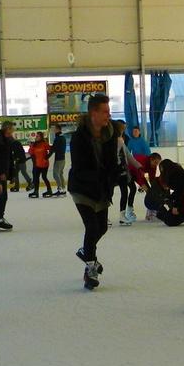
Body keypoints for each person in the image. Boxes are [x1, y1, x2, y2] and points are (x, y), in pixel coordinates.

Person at [68, 94, 120, 289]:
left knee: (102, 227)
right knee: (92, 227)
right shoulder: (79, 136)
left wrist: (114, 178)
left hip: (101, 188)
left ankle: (86, 251)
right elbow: (80, 167)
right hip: (82, 188)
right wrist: (100, 177)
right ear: (93, 113)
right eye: (105, 111)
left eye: (109, 111)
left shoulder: (110, 133)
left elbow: (112, 161)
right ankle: (90, 267)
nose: (109, 115)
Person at [154, 159, 184, 226]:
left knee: (169, 219)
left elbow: (180, 192)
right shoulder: (180, 173)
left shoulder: (176, 176)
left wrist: (176, 206)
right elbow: (178, 191)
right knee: (164, 216)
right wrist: (169, 197)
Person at [28, 132, 53, 198]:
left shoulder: (44, 144)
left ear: (41, 137)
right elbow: (30, 152)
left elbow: (51, 150)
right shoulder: (34, 145)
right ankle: (36, 192)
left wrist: (47, 157)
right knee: (36, 178)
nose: (36, 137)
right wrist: (31, 146)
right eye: (36, 136)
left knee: (44, 177)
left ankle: (49, 190)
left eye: (38, 136)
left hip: (44, 164)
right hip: (37, 164)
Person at [49, 125, 67, 195]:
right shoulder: (62, 137)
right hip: (62, 158)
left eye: (54, 129)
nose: (53, 130)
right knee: (60, 174)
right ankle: (63, 188)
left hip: (59, 159)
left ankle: (60, 189)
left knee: (55, 174)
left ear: (58, 129)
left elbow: (54, 148)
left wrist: (47, 156)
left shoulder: (58, 138)